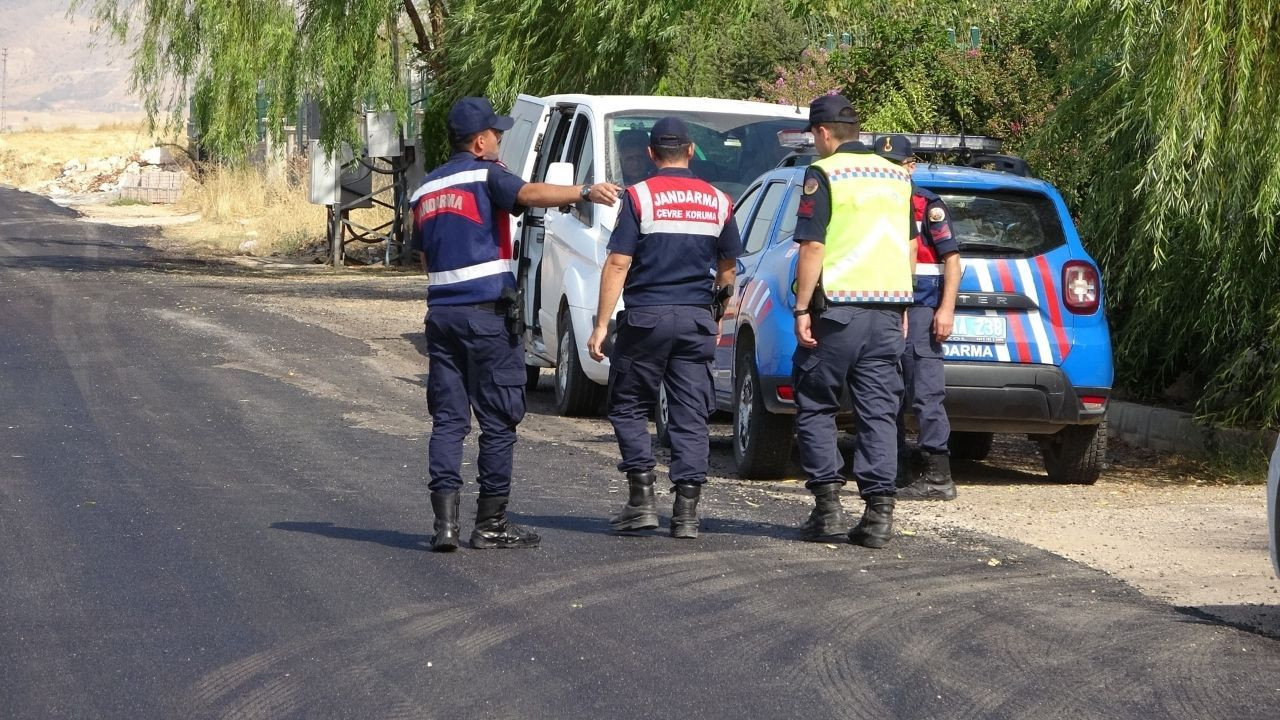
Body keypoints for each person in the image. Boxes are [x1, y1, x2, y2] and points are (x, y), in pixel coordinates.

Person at [413, 96, 620, 551]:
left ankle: (444, 526)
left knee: (448, 422)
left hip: (441, 317)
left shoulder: (424, 189)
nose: (501, 142)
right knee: (499, 418)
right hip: (485, 317)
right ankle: (490, 524)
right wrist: (584, 192)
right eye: (497, 135)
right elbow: (528, 195)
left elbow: (425, 257)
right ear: (481, 140)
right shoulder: (488, 174)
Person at [587, 116, 742, 539]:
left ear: (653, 154)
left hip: (646, 318)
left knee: (629, 406)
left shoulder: (638, 197)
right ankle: (687, 513)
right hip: (695, 319)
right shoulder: (718, 200)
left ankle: (642, 501)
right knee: (691, 413)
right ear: (691, 151)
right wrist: (716, 315)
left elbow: (619, 261)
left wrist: (601, 324)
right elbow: (727, 270)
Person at [790, 95, 916, 549]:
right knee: (879, 411)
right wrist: (903, 306)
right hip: (887, 311)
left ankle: (827, 509)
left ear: (823, 133)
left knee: (817, 402)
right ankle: (879, 517)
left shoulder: (824, 174)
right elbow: (909, 248)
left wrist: (802, 308)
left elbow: (813, 247)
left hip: (837, 312)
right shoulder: (897, 177)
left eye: (813, 136)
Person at [876, 135, 962, 501]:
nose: (891, 173)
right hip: (883, 308)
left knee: (925, 393)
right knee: (885, 393)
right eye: (885, 167)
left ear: (911, 166)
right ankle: (894, 471)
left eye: (897, 165)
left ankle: (938, 476)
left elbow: (952, 261)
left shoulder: (927, 205)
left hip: (922, 307)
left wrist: (946, 309)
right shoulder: (873, 204)